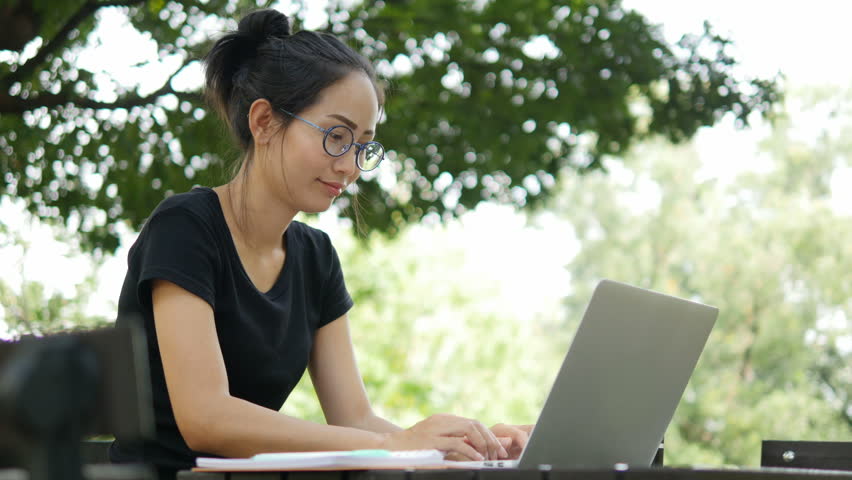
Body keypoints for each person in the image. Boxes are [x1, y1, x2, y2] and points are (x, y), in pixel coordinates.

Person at [109, 8, 531, 479]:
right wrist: (393, 446)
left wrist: (469, 448)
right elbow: (206, 418)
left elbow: (356, 421)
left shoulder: (316, 257)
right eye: (336, 136)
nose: (349, 166)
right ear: (264, 121)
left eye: (362, 146)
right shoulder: (185, 228)